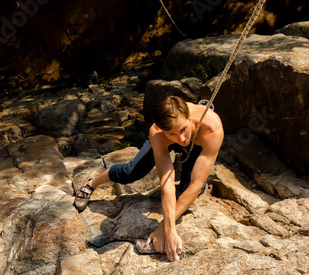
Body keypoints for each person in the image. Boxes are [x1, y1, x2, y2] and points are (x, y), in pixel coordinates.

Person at [74, 96, 224, 262]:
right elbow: (166, 183)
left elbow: (195, 185)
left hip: (197, 137)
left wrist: (164, 227)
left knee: (195, 188)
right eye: (172, 133)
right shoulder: (158, 133)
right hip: (166, 139)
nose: (180, 139)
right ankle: (91, 183)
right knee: (131, 173)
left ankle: (201, 108)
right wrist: (169, 229)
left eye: (182, 129)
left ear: (188, 115)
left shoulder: (212, 129)